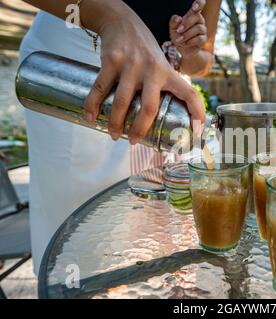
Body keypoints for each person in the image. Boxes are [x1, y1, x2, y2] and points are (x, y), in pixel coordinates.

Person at [20, 0, 221, 273]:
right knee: (87, 239)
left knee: (157, 231)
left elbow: (204, 61)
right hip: (80, 61)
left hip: (162, 87)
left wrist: (188, 49)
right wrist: (112, 16)